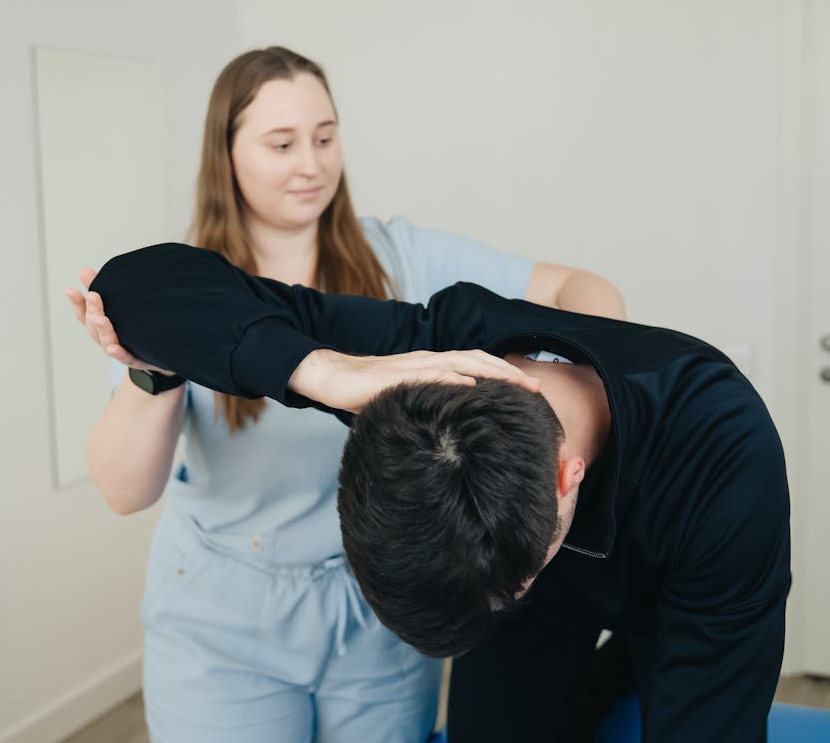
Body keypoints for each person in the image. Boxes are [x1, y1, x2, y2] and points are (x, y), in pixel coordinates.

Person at [65, 46, 626, 743]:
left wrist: (562, 410)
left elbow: (582, 289)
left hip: (374, 615)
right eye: (281, 143)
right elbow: (123, 491)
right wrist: (156, 366)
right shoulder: (190, 298)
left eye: (325, 138)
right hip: (224, 615)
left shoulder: (399, 258)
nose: (311, 164)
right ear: (226, 153)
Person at [86, 242, 792, 743]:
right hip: (510, 589)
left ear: (565, 477)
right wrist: (330, 374)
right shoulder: (421, 376)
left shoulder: (721, 444)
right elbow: (132, 286)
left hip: (676, 596)